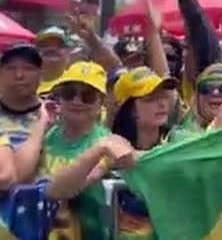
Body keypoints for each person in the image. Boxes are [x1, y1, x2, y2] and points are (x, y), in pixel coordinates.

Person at [31, 62, 126, 240]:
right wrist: (41, 123)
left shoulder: (106, 142)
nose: (77, 101)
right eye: (69, 93)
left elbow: (71, 188)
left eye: (87, 96)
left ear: (101, 103)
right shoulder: (48, 133)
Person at [167, 63, 222, 143]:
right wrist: (220, 119)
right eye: (206, 88)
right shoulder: (181, 125)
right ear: (197, 97)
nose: (215, 93)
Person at [111, 67, 177, 150]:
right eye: (152, 98)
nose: (162, 104)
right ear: (131, 109)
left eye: (163, 96)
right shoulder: (111, 150)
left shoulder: (178, 144)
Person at [34, 26, 72, 96]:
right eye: (45, 45)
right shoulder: (26, 84)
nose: (52, 49)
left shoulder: (76, 81)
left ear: (69, 52)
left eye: (60, 45)